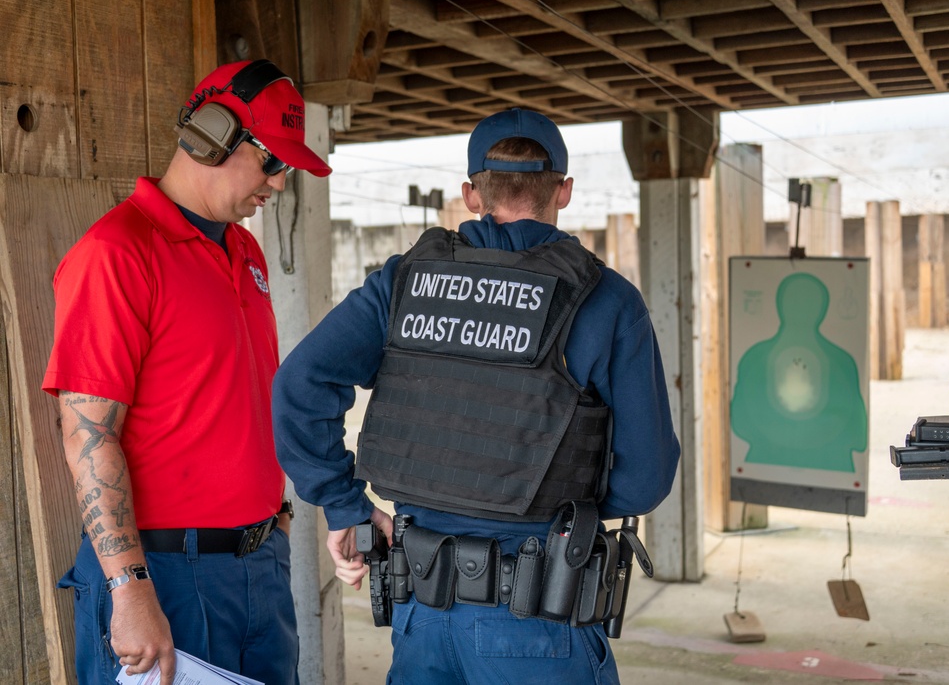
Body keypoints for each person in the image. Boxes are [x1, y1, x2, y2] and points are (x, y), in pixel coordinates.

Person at [272, 107, 680, 684]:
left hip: (421, 613)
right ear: (562, 192)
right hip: (538, 613)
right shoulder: (606, 300)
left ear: (470, 194)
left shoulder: (404, 280)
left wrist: (345, 504)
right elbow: (645, 479)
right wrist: (553, 505)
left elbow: (299, 384)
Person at [43, 59, 332, 685]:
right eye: (272, 163)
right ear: (212, 134)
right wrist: (129, 588)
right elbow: (87, 436)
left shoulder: (244, 248)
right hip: (166, 576)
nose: (279, 185)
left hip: (256, 568)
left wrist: (272, 518)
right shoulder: (116, 254)